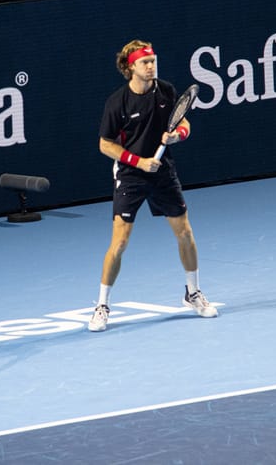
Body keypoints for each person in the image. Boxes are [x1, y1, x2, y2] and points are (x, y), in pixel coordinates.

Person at [89, 39, 218, 332]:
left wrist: (177, 137)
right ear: (130, 67)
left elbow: (183, 123)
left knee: (184, 232)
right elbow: (104, 144)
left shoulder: (166, 90)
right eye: (145, 63)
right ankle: (102, 305)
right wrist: (138, 161)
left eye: (153, 61)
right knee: (119, 243)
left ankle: (192, 292)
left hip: (162, 172)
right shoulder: (117, 103)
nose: (151, 66)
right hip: (131, 176)